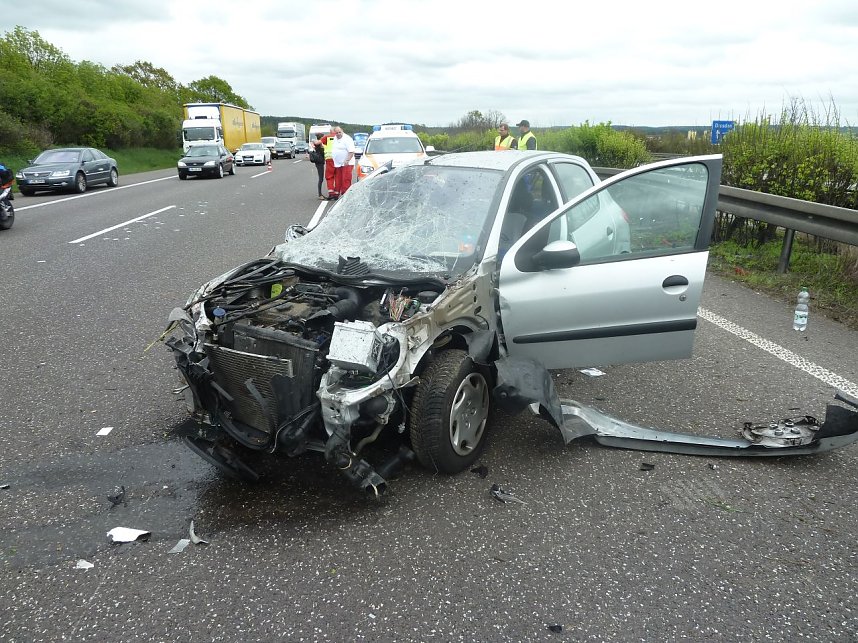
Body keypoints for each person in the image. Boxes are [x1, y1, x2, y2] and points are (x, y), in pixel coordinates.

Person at [331, 127, 356, 197]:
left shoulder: (347, 139)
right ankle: (337, 192)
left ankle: (345, 194)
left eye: (340, 132)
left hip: (347, 163)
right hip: (338, 163)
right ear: (334, 133)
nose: (338, 134)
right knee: (338, 178)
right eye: (336, 133)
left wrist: (347, 160)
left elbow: (351, 151)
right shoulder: (335, 138)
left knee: (346, 178)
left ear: (342, 131)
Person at [318, 125, 338, 199]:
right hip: (339, 160)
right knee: (338, 177)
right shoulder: (341, 137)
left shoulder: (327, 137)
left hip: (329, 159)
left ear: (330, 131)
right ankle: (337, 193)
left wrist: (314, 142)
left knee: (329, 176)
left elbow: (317, 143)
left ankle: (331, 193)